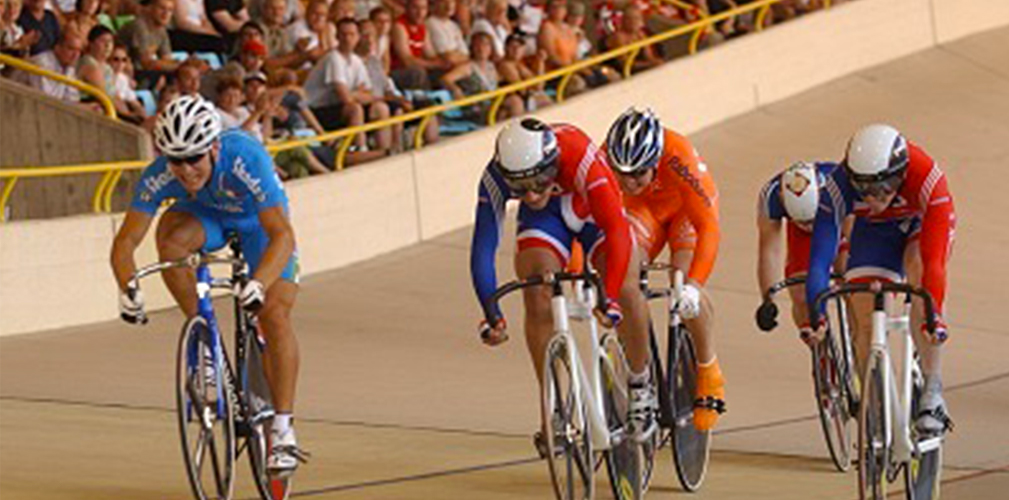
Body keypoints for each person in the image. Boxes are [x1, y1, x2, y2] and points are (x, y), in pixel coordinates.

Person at [110, 95, 309, 474]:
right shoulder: (160, 173)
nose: (185, 171)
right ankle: (203, 339)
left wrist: (259, 283)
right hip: (205, 218)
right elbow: (126, 242)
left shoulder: (244, 157)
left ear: (214, 147)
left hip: (258, 224)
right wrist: (127, 286)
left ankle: (283, 429)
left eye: (194, 159)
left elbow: (282, 234)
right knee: (169, 237)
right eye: (176, 160)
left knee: (275, 313)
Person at [472, 118, 657, 444]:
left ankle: (641, 385)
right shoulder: (494, 178)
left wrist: (610, 296)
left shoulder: (580, 158)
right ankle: (555, 406)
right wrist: (492, 313)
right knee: (535, 288)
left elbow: (616, 231)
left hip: (590, 211)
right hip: (547, 220)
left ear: (552, 163)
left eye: (540, 182)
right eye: (519, 188)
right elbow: (483, 247)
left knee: (626, 287)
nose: (530, 194)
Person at [806, 124, 956, 435]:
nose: (874, 197)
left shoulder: (927, 176)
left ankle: (932, 392)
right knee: (862, 315)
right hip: (875, 232)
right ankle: (874, 407)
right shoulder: (837, 187)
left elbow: (934, 264)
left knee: (918, 274)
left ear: (901, 174)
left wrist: (934, 316)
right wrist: (816, 312)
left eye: (884, 187)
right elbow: (819, 261)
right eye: (863, 189)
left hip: (920, 223)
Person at [603, 107, 725, 430]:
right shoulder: (605, 160)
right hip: (643, 213)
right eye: (621, 174)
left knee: (680, 280)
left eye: (638, 174)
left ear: (655, 162)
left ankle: (708, 368)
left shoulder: (677, 156)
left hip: (686, 210)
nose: (628, 182)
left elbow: (708, 228)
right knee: (625, 273)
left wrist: (694, 286)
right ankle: (639, 372)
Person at [755, 161, 847, 341]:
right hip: (801, 236)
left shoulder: (839, 183)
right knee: (801, 294)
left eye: (811, 220)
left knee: (850, 277)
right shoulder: (771, 197)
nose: (810, 227)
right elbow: (769, 251)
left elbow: (857, 235)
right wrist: (768, 299)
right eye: (803, 221)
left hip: (836, 219)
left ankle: (859, 338)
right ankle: (819, 354)